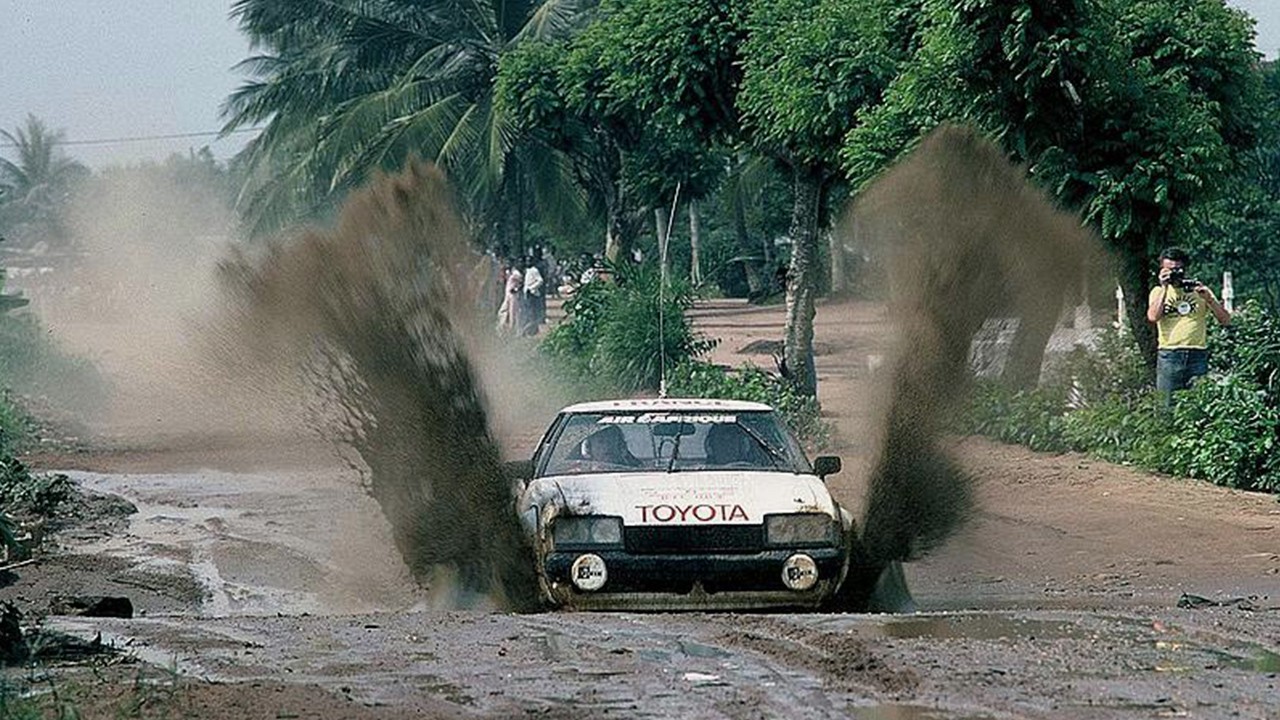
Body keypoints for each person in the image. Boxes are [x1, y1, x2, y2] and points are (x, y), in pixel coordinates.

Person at [1146, 246, 1231, 396]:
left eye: (1178, 269)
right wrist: (1165, 287)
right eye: (1170, 269)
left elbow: (1225, 320)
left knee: (1197, 403)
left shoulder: (1199, 291)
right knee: (1166, 404)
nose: (1175, 274)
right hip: (1170, 354)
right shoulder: (1158, 292)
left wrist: (1209, 300)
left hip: (1197, 353)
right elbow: (1153, 317)